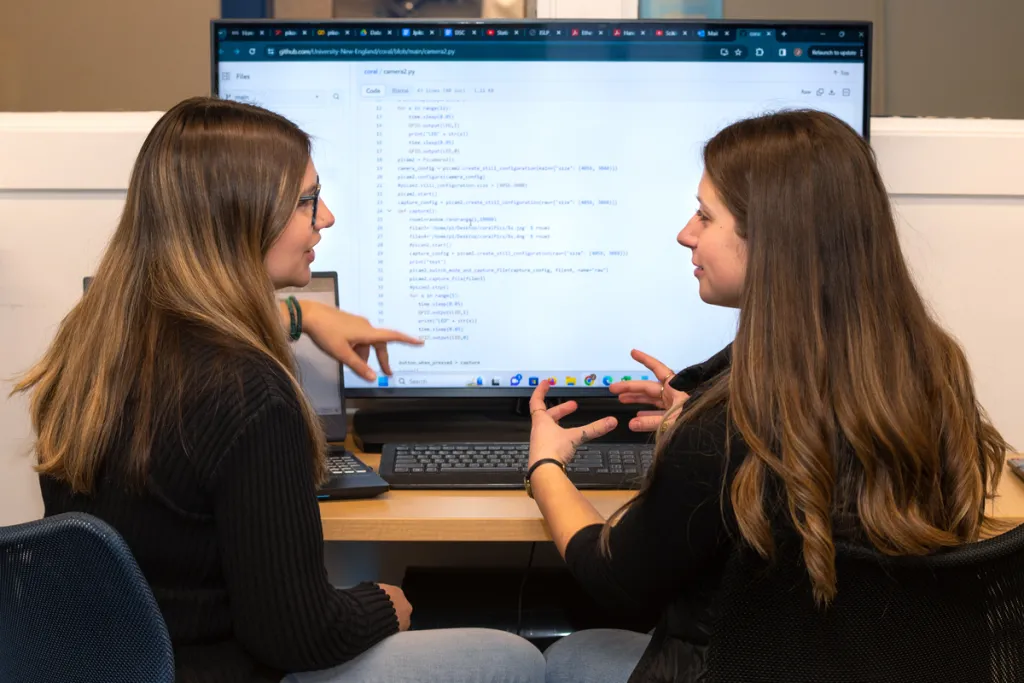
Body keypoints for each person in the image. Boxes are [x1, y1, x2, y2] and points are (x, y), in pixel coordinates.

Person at [12, 96, 545, 683]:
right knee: (511, 659)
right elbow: (297, 634)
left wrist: (305, 316)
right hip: (227, 668)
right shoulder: (250, 393)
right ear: (240, 214)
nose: (327, 218)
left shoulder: (89, 346)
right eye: (306, 201)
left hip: (126, 665)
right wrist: (381, 603)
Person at [526, 109, 1011, 683]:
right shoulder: (932, 369)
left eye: (706, 216)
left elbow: (616, 582)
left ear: (773, 242)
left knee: (560, 656)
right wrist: (696, 409)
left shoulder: (728, 429)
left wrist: (545, 465)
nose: (686, 233)